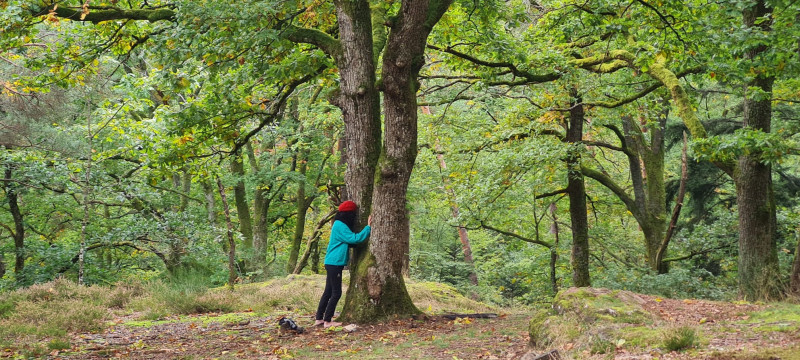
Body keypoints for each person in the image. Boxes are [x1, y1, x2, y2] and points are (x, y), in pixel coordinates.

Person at [314, 200, 372, 328]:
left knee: (328, 291)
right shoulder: (340, 225)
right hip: (335, 263)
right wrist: (368, 227)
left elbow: (350, 242)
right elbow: (355, 238)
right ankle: (328, 321)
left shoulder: (338, 224)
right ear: (349, 214)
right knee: (336, 292)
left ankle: (319, 319)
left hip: (331, 262)